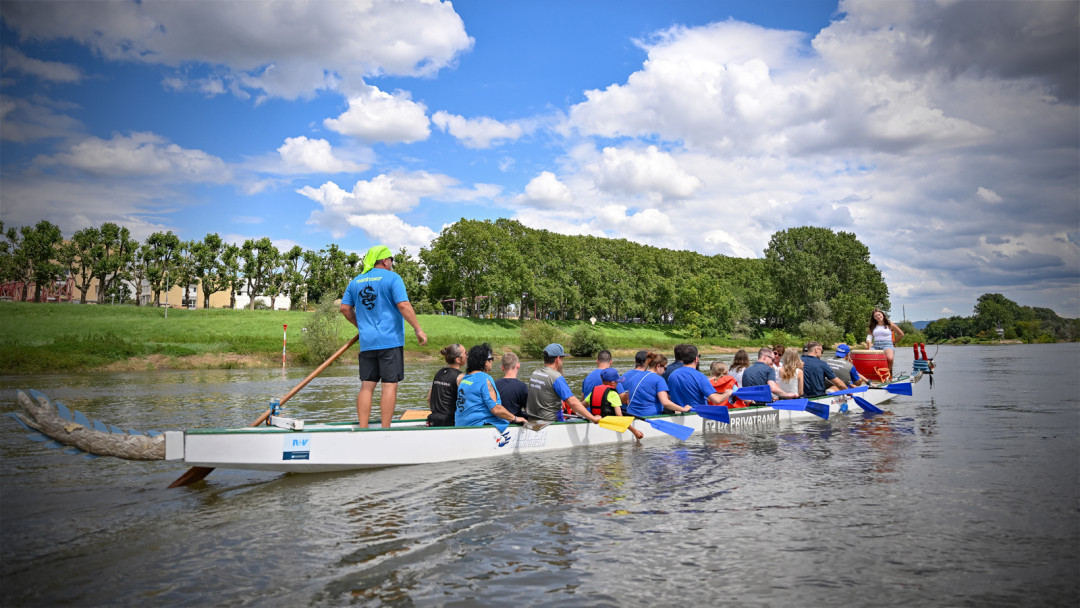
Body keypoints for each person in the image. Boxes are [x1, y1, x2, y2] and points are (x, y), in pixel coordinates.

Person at [340, 245, 427, 427]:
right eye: (391, 261)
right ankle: (385, 429)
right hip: (390, 340)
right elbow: (403, 305)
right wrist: (418, 329)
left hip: (367, 342)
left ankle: (363, 428)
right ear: (386, 261)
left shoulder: (355, 281)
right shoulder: (393, 278)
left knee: (367, 386)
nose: (392, 265)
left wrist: (361, 326)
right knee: (389, 384)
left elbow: (345, 308)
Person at [526, 343, 601, 423]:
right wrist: (593, 418)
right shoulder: (556, 377)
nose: (563, 362)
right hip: (551, 422)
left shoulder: (535, 373)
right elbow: (573, 402)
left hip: (533, 420)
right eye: (562, 359)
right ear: (558, 359)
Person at [455, 343, 524, 428]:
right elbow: (496, 409)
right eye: (491, 359)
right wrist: (515, 418)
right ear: (485, 362)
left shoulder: (464, 378)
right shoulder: (485, 379)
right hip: (479, 425)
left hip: (460, 424)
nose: (492, 362)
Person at [621, 352, 692, 417]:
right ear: (658, 366)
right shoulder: (659, 379)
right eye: (665, 368)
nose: (664, 372)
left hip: (631, 415)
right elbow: (665, 403)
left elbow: (628, 400)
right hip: (650, 416)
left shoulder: (634, 377)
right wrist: (683, 409)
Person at [586, 368, 645, 439]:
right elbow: (619, 416)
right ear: (613, 383)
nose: (618, 383)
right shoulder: (613, 394)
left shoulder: (594, 391)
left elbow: (582, 405)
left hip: (596, 420)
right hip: (609, 423)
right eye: (617, 382)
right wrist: (634, 431)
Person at [426, 343, 464, 427]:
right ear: (458, 360)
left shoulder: (439, 373)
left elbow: (429, 398)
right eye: (465, 353)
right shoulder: (461, 377)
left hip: (433, 420)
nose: (467, 355)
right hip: (450, 421)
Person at [865, 308, 904, 378]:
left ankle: (887, 375)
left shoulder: (889, 324)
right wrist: (868, 344)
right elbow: (869, 337)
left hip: (887, 344)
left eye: (879, 314)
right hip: (876, 345)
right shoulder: (873, 325)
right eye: (875, 316)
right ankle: (873, 375)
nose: (878, 317)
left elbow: (901, 334)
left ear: (882, 314)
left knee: (890, 358)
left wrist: (893, 343)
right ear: (874, 318)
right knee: (868, 358)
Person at [494, 352, 529, 418]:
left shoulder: (494, 384)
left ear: (502, 367)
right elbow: (528, 410)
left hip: (498, 420)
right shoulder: (522, 386)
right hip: (515, 421)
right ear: (518, 365)